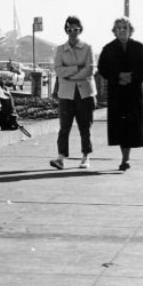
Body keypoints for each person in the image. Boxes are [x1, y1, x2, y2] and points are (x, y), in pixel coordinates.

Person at [96, 17, 143, 171]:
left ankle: (126, 158)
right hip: (117, 91)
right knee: (120, 126)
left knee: (131, 125)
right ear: (114, 31)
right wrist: (118, 76)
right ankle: (124, 157)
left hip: (133, 91)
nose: (122, 30)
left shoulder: (139, 47)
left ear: (130, 30)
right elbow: (102, 68)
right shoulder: (108, 49)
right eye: (119, 28)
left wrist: (132, 77)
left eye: (125, 27)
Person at [50, 15, 96, 170]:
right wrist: (77, 69)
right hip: (66, 94)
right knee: (64, 127)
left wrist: (70, 75)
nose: (72, 33)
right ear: (66, 30)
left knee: (85, 126)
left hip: (85, 93)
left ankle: (85, 156)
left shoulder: (88, 48)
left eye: (76, 29)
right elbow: (58, 70)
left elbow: (90, 70)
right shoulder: (60, 49)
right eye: (69, 29)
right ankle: (61, 158)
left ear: (80, 30)